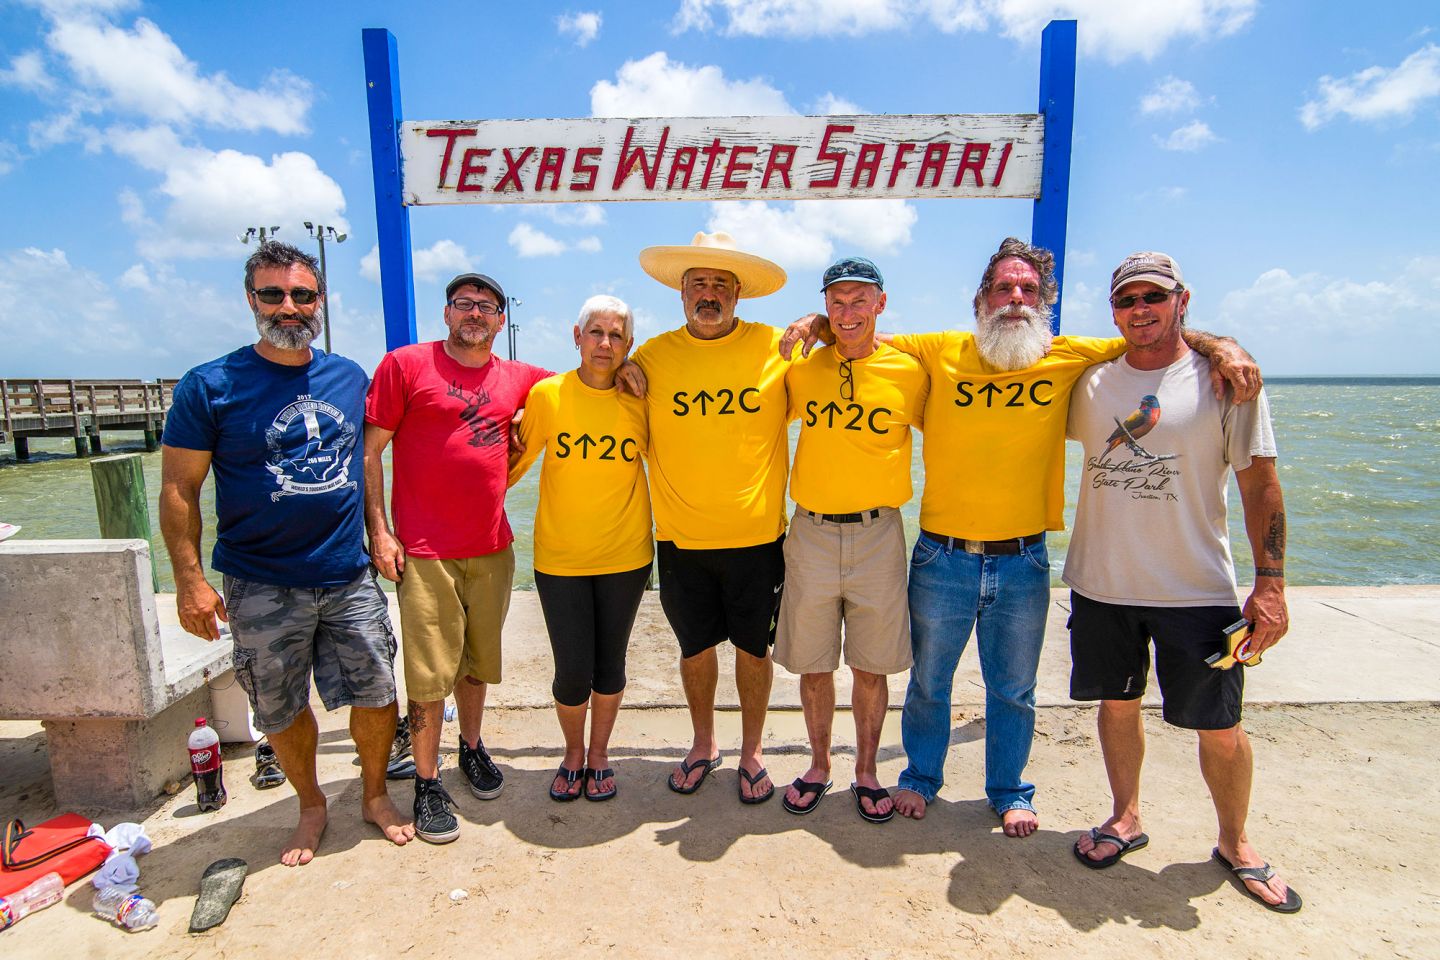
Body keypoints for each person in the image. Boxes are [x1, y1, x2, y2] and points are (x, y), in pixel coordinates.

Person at [781, 237, 1260, 836]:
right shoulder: (937, 350)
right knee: (930, 682)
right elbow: (857, 330)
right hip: (940, 555)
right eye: (1003, 288)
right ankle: (920, 778)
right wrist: (814, 321)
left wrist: (1223, 346)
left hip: (1023, 560)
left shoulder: (1069, 355)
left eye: (1028, 290)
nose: (1014, 299)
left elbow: (1158, 336)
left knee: (1014, 689)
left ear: (1046, 302)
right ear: (981, 298)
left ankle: (1009, 790)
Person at [159, 241, 412, 866]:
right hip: (260, 581)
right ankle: (310, 803)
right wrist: (190, 580)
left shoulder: (349, 376)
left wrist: (380, 529)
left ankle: (375, 793)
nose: (289, 307)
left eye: (302, 294)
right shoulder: (210, 385)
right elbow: (178, 489)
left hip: (347, 573)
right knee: (279, 704)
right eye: (274, 294)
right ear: (252, 300)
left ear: (319, 300)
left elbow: (373, 456)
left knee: (378, 692)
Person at [1065, 252, 1300, 913]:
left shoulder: (1227, 381)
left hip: (1198, 591)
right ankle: (1125, 816)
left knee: (1220, 725)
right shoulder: (1089, 380)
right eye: (1127, 300)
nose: (1141, 309)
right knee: (1117, 706)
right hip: (1101, 585)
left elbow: (1260, 483)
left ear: (1181, 299)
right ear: (1113, 311)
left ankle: (1235, 841)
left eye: (1154, 297)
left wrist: (1272, 585)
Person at [364, 272, 552, 843]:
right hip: (424, 551)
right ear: (446, 313)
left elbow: (584, 383)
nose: (475, 313)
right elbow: (371, 451)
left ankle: (471, 747)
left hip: (492, 547)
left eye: (487, 306)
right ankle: (426, 780)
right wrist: (380, 531)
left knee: (475, 664)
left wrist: (630, 368)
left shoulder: (522, 377)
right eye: (464, 304)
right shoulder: (404, 365)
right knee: (427, 675)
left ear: (502, 320)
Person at [625, 231, 789, 803]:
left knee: (754, 650)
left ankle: (752, 751)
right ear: (681, 293)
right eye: (699, 283)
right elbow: (597, 391)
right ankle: (702, 743)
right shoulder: (649, 357)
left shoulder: (777, 347)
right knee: (694, 650)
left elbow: (845, 364)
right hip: (679, 540)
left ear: (739, 293)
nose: (710, 293)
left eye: (722, 283)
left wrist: (818, 324)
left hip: (758, 539)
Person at [773, 257, 927, 823]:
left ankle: (866, 770)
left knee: (872, 665)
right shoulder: (802, 369)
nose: (847, 312)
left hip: (878, 532)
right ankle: (818, 765)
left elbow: (958, 429)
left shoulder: (910, 371)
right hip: (809, 529)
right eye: (836, 302)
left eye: (859, 300)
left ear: (881, 304)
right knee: (813, 663)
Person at [508, 295, 653, 802]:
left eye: (616, 336)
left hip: (627, 556)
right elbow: (509, 468)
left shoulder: (642, 400)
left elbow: (686, 456)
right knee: (572, 671)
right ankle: (573, 752)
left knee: (610, 665)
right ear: (576, 336)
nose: (605, 344)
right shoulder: (549, 396)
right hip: (559, 559)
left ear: (628, 345)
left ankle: (599, 755)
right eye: (596, 333)